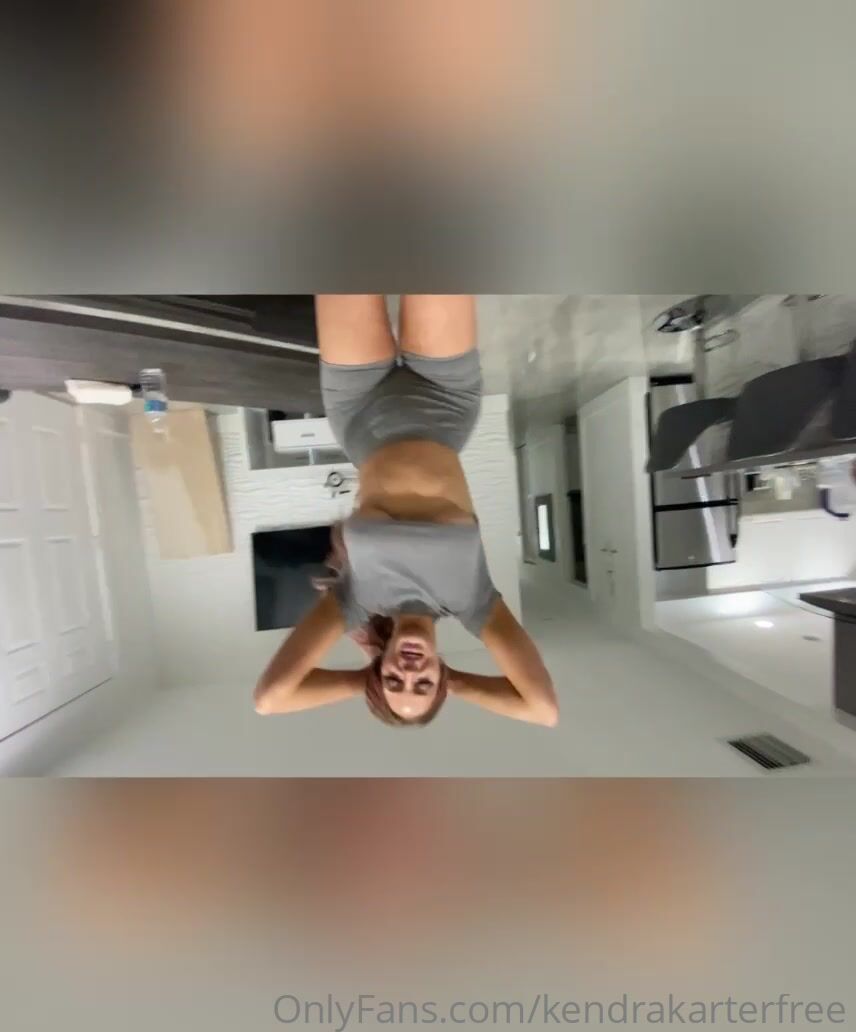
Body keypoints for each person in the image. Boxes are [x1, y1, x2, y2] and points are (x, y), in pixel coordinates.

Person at [254, 295, 558, 728]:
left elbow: (270, 699)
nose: (409, 673)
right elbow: (543, 710)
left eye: (393, 682)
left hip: (358, 408)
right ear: (438, 677)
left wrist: (365, 681)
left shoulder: (356, 601)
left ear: (382, 672)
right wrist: (454, 683)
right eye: (424, 685)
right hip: (445, 399)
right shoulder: (473, 603)